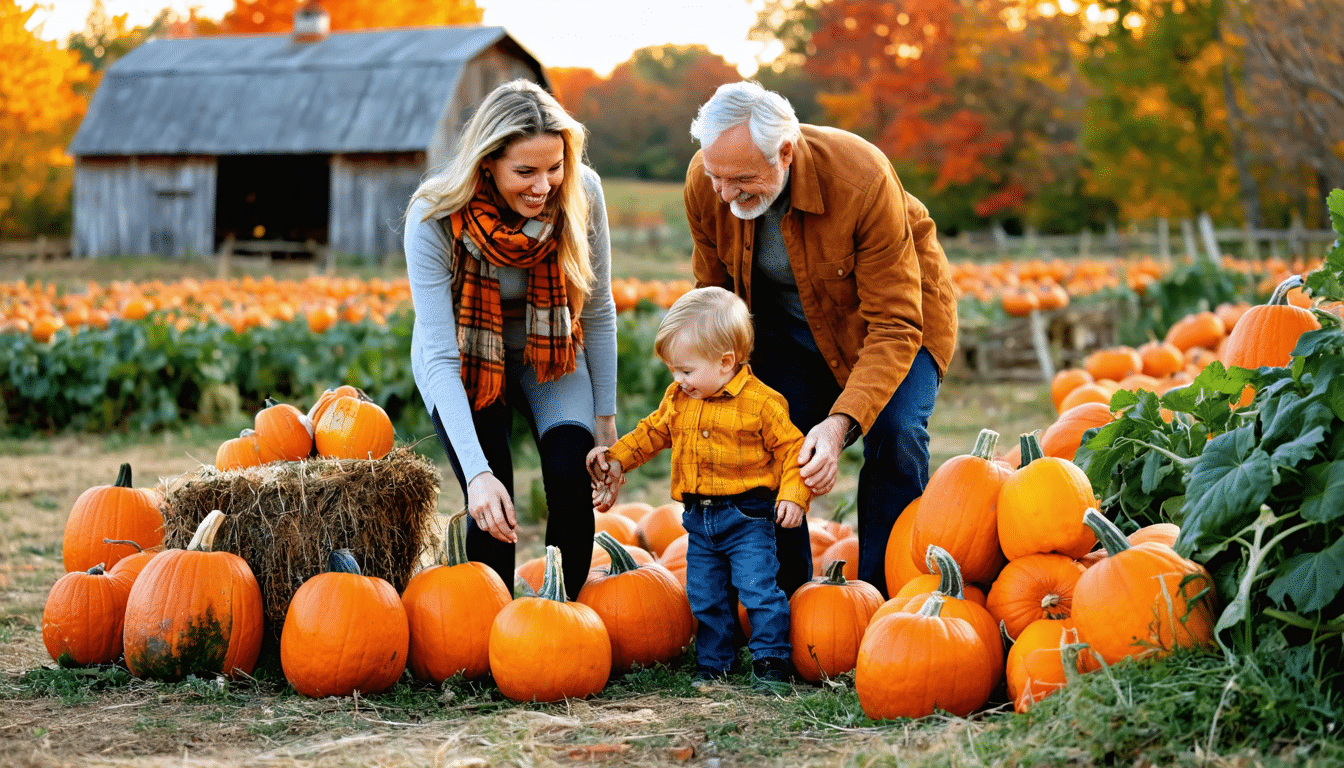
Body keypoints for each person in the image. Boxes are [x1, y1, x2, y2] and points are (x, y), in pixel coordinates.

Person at [683, 81, 958, 598]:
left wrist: (837, 424)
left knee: (896, 434)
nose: (723, 192)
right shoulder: (708, 179)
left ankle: (888, 599)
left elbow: (895, 323)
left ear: (784, 153)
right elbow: (715, 295)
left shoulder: (860, 178)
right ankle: (785, 603)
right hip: (786, 331)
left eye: (740, 179)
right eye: (715, 176)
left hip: (895, 323)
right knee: (767, 433)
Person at [404, 79, 617, 599]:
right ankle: (493, 631)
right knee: (493, 501)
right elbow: (439, 356)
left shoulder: (580, 194)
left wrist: (607, 428)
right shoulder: (433, 216)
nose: (543, 185)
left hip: (550, 353)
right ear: (487, 164)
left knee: (571, 476)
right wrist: (476, 475)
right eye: (525, 171)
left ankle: (562, 619)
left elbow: (600, 310)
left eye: (554, 166)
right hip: (464, 357)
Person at [587, 286, 809, 686]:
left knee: (758, 590)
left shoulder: (762, 403)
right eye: (674, 370)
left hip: (748, 517)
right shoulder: (679, 399)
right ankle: (714, 662)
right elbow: (653, 432)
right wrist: (618, 457)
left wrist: (794, 495)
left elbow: (793, 450)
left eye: (686, 371)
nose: (677, 379)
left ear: (726, 363)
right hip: (699, 519)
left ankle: (771, 660)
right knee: (705, 595)